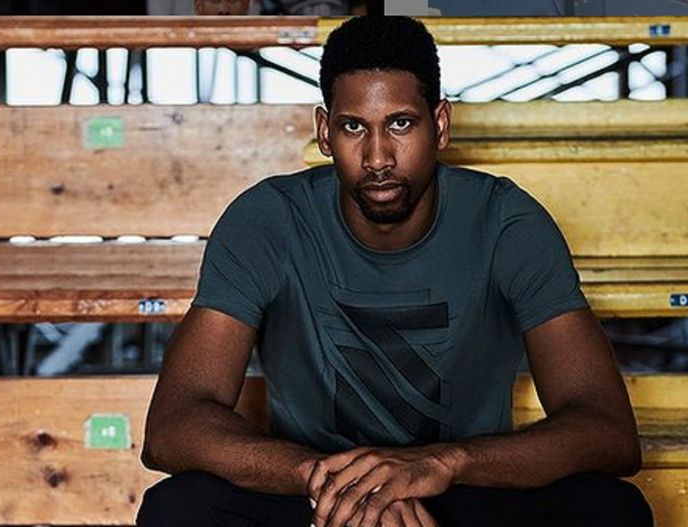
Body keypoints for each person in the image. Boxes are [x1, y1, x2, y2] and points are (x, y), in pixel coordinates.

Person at [136, 16, 653, 527]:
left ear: (440, 125)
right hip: (314, 497)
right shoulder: (269, 219)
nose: (378, 157)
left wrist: (441, 464)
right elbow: (173, 426)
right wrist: (331, 480)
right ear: (324, 132)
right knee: (176, 509)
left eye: (400, 124)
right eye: (353, 127)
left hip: (457, 494)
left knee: (610, 509)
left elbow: (607, 431)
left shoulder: (505, 222)